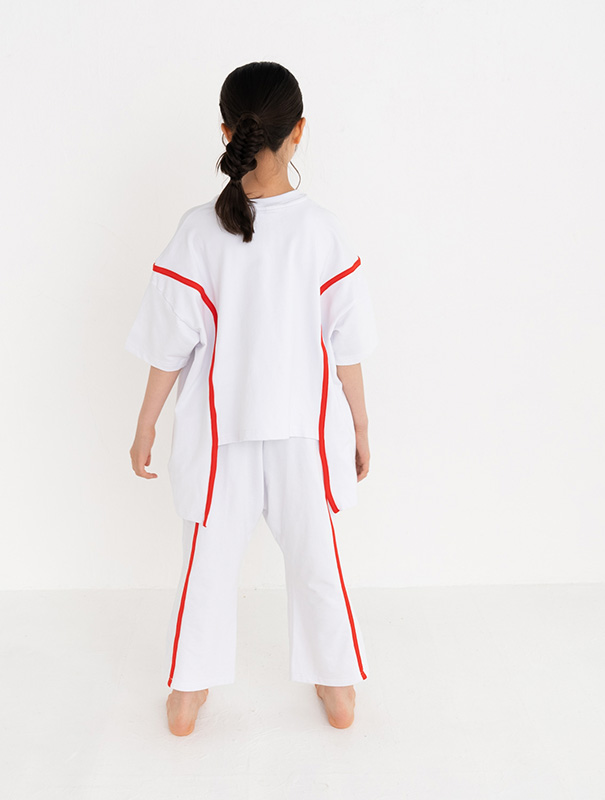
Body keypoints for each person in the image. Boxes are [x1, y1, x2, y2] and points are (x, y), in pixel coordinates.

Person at [125, 61, 378, 736]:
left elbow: (167, 345)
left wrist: (145, 424)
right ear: (300, 131)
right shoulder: (323, 230)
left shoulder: (196, 230)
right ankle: (337, 685)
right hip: (305, 435)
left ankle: (188, 694)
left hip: (219, 436)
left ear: (226, 131)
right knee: (318, 559)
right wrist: (360, 426)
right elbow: (347, 347)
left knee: (206, 564)